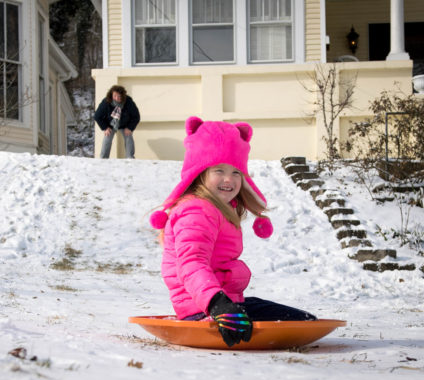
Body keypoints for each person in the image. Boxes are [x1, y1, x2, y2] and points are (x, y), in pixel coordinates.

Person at [149, 116, 316, 348]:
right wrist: (218, 305)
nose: (229, 179)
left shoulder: (218, 209)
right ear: (199, 173)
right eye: (219, 170)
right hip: (206, 309)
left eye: (236, 172)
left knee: (302, 320)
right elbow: (191, 264)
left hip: (220, 304)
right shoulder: (197, 210)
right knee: (301, 323)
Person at [94, 85, 140, 159]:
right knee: (107, 137)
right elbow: (97, 116)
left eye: (119, 96)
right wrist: (105, 128)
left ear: (123, 96)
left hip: (125, 124)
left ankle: (130, 157)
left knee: (129, 137)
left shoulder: (128, 102)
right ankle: (103, 158)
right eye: (115, 96)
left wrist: (129, 127)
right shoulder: (106, 102)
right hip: (110, 124)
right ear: (111, 95)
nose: (117, 98)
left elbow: (136, 116)